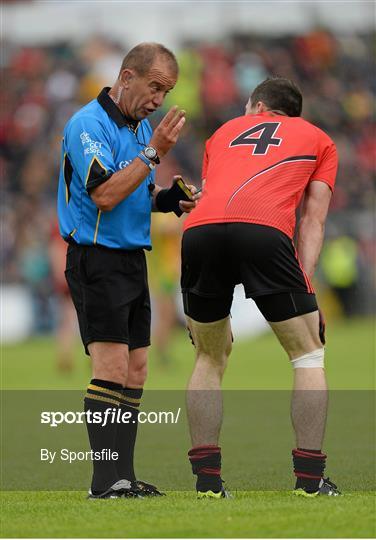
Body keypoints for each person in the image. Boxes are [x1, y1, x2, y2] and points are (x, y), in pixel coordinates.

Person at [181, 77, 341, 498]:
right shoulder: (319, 139)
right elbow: (313, 220)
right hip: (263, 230)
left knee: (208, 356)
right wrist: (305, 285)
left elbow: (212, 197)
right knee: (307, 355)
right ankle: (309, 482)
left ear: (254, 107)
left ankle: (207, 484)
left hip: (199, 232)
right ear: (293, 114)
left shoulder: (221, 133)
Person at [57, 42, 199, 499]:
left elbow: (136, 189)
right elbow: (103, 194)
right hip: (96, 258)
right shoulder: (87, 124)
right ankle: (105, 481)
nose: (158, 99)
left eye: (167, 90)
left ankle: (125, 476)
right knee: (112, 367)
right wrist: (154, 152)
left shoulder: (139, 128)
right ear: (126, 76)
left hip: (132, 257)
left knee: (137, 370)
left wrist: (169, 200)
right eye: (154, 86)